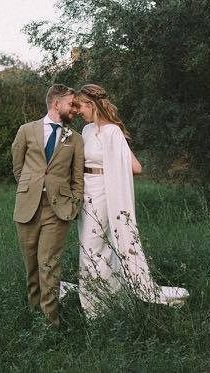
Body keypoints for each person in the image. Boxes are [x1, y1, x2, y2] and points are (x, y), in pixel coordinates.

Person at [69, 83, 189, 318]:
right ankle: (102, 302)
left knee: (95, 248)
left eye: (80, 106)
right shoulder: (86, 131)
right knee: (90, 247)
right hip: (87, 193)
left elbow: (136, 167)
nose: (78, 111)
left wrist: (114, 167)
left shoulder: (113, 132)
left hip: (103, 193)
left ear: (91, 105)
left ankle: (98, 309)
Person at [10, 84, 84, 328]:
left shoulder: (76, 139)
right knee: (31, 266)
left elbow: (77, 178)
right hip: (27, 207)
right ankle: (34, 318)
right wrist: (29, 188)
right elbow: (18, 167)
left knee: (48, 265)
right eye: (71, 104)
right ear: (56, 104)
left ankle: (51, 324)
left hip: (58, 209)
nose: (75, 109)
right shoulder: (26, 130)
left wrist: (73, 204)